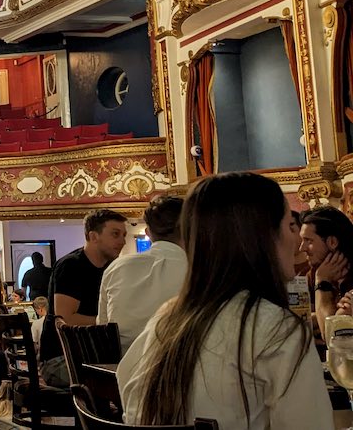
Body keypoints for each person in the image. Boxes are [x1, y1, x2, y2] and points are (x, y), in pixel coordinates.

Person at [117, 172, 331, 429]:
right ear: (262, 237)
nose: (296, 242)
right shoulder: (278, 330)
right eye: (290, 227)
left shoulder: (167, 318)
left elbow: (128, 397)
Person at [39, 208, 127, 387]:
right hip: (59, 359)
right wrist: (110, 321)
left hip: (94, 356)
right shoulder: (71, 266)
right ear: (93, 236)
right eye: (115, 234)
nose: (123, 241)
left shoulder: (112, 267)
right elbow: (66, 319)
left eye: (124, 235)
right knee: (127, 381)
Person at [97, 195, 187, 354]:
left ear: (148, 232)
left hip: (120, 364)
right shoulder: (198, 270)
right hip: (176, 363)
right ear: (189, 229)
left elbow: (103, 328)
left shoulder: (116, 267)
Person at [301, 205, 353, 336]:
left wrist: (322, 282)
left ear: (332, 242)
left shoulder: (319, 275)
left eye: (308, 241)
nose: (302, 248)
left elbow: (331, 334)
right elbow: (297, 321)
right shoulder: (312, 274)